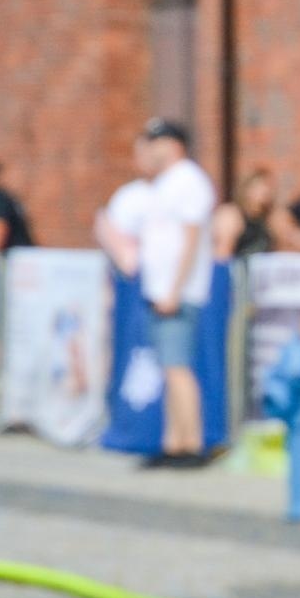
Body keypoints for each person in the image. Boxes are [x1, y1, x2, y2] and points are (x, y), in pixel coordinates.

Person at [137, 118, 216, 468]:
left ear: (174, 144)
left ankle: (191, 442)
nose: (152, 148)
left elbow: (190, 238)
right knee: (169, 367)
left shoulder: (188, 181)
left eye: (158, 141)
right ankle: (173, 441)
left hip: (177, 292)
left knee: (178, 367)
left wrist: (175, 288)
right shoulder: (166, 184)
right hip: (161, 290)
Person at [94, 133, 158, 276]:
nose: (145, 159)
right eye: (141, 154)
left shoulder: (173, 191)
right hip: (132, 276)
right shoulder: (127, 196)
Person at [211, 168, 290, 260]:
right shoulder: (231, 215)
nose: (266, 191)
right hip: (236, 269)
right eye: (261, 186)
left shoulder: (271, 218)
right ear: (247, 189)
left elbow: (287, 246)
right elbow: (222, 254)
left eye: (269, 187)